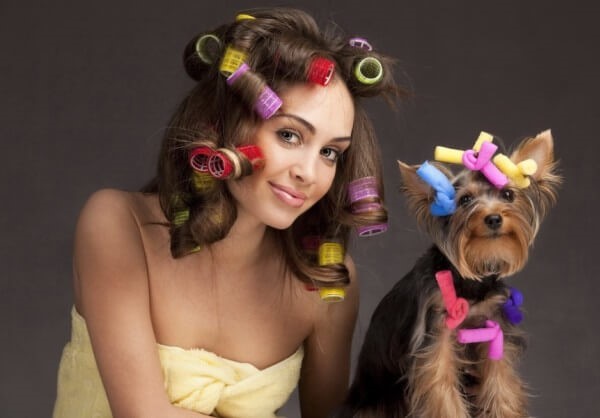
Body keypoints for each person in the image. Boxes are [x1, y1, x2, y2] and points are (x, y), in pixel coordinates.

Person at [53, 7, 400, 418]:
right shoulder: (117, 223)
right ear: (222, 123)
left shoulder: (325, 282)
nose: (309, 173)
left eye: (330, 153)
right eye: (289, 135)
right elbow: (142, 413)